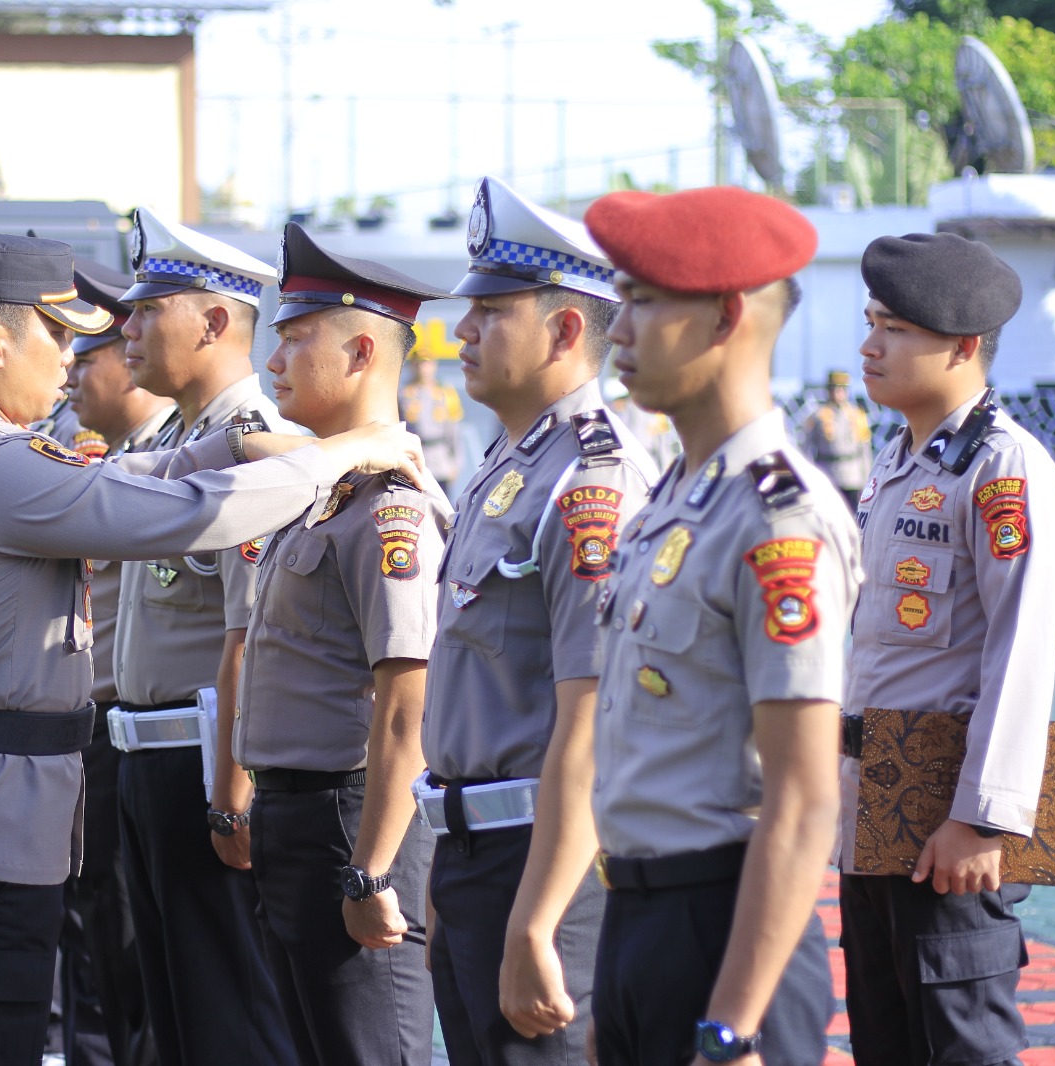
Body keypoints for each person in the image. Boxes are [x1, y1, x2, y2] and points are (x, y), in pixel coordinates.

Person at [0, 233, 422, 1066]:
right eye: (60, 335)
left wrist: (232, 445)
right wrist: (340, 455)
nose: (72, 361)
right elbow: (180, 516)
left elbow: (126, 484)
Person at [582, 186, 861, 1065]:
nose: (616, 330)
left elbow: (805, 797)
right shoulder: (677, 497)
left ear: (725, 317)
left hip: (725, 933)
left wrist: (731, 1023)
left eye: (644, 301)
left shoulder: (778, 520)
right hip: (640, 921)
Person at [419, 176, 658, 1066]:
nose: (461, 332)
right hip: (476, 855)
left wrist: (538, 916)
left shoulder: (589, 481)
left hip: (543, 864)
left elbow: (588, 722)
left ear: (565, 331)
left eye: (490, 312)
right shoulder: (507, 466)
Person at [838, 232, 1055, 1065]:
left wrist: (982, 817)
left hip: (944, 812)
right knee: (886, 1041)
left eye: (893, 327)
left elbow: (1023, 645)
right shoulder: (899, 460)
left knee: (963, 1044)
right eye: (870, 321)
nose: (869, 345)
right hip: (875, 801)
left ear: (963, 347)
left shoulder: (1002, 468)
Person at [235, 222, 453, 1065]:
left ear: (362, 353)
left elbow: (407, 707)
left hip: (353, 820)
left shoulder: (387, 510)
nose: (274, 362)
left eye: (294, 340)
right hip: (301, 815)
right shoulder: (326, 492)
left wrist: (373, 870)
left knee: (374, 1049)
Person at [108, 207, 300, 1066]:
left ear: (216, 321)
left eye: (152, 309)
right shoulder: (188, 439)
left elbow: (248, 640)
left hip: (202, 769)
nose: (128, 327)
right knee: (174, 1020)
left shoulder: (249, 447)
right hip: (150, 763)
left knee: (229, 1021)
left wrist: (233, 792)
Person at [55, 259, 174, 1066]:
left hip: (144, 738)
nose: (71, 373)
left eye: (87, 354)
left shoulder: (177, 459)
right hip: (90, 732)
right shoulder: (89, 453)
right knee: (95, 936)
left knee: (134, 958)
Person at [800, 369, 874, 509]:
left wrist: (866, 479)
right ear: (828, 391)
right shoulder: (818, 416)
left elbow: (865, 451)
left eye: (842, 389)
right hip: (827, 473)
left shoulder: (857, 415)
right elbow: (806, 448)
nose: (838, 393)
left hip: (852, 476)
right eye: (834, 389)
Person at [401, 347, 465, 494]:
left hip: (440, 458)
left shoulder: (445, 392)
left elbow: (453, 430)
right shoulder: (403, 393)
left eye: (426, 364)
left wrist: (455, 462)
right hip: (414, 459)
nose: (422, 369)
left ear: (434, 366)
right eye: (418, 364)